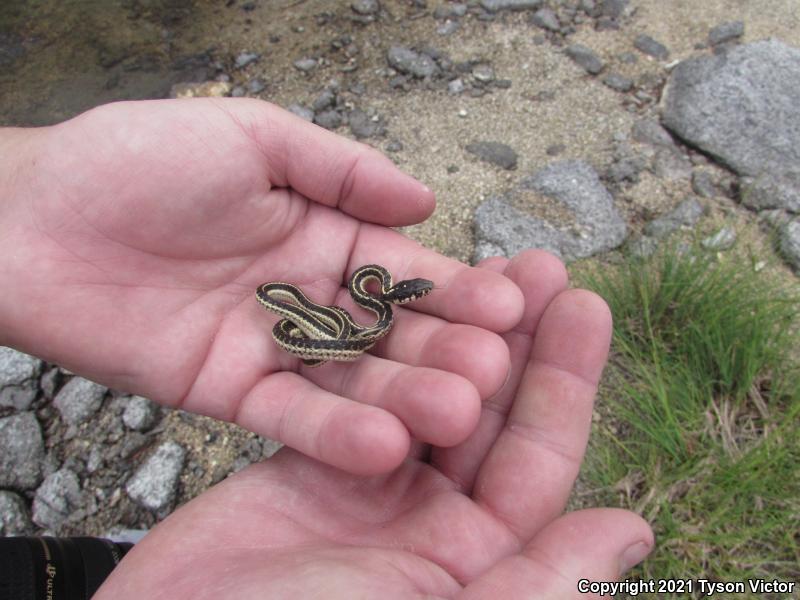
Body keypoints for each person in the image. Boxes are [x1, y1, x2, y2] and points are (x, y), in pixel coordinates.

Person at [0, 98, 653, 598]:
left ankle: (114, 558)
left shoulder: (368, 303)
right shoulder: (354, 305)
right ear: (398, 294)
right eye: (406, 292)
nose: (408, 293)